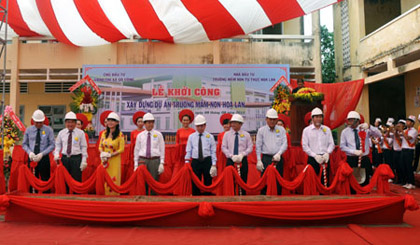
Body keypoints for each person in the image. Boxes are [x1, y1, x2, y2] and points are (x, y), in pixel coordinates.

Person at [340, 111, 381, 186]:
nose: (350, 122)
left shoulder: (365, 129)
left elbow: (379, 134)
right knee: (352, 183)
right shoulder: (345, 132)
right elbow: (342, 146)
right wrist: (353, 151)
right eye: (349, 120)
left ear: (357, 120)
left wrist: (369, 126)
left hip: (364, 158)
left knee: (364, 181)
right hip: (351, 158)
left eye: (352, 120)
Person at [256, 108, 288, 195]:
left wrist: (279, 154)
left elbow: (284, 144)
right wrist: (259, 160)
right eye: (270, 119)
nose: (272, 121)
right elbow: (258, 146)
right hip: (266, 159)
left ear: (277, 120)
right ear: (266, 119)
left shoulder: (281, 130)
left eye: (274, 119)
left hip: (278, 158)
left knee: (278, 181)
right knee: (265, 181)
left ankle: (278, 201)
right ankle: (263, 201)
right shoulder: (261, 130)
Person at [302, 108, 335, 186]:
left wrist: (327, 153)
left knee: (325, 181)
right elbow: (305, 146)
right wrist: (315, 156)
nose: (318, 119)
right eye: (316, 117)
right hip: (313, 159)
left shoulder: (327, 130)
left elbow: (331, 144)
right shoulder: (306, 130)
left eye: (320, 117)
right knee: (312, 182)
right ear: (312, 118)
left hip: (325, 158)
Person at [185, 115, 217, 195]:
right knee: (195, 182)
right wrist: (186, 162)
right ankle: (196, 199)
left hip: (207, 161)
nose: (200, 128)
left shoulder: (210, 137)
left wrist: (214, 164)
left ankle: (208, 200)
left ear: (205, 125)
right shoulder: (191, 137)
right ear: (196, 126)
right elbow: (188, 150)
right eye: (198, 126)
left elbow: (213, 151)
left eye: (202, 126)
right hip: (195, 162)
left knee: (208, 181)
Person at [222, 114, 253, 195]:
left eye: (235, 122)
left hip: (242, 160)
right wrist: (231, 156)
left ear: (240, 124)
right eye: (232, 122)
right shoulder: (227, 134)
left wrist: (242, 155)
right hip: (230, 160)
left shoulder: (246, 134)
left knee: (243, 181)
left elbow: (250, 147)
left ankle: (243, 199)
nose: (233, 124)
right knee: (230, 181)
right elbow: (224, 147)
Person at [22, 109, 55, 185]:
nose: (39, 124)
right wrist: (29, 152)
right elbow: (24, 144)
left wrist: (42, 154)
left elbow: (52, 144)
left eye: (40, 122)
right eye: (37, 122)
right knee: (32, 180)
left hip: (44, 157)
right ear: (33, 121)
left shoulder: (49, 130)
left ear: (43, 121)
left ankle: (45, 195)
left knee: (45, 179)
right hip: (32, 157)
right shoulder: (28, 130)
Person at [54, 112, 88, 184]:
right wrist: (56, 154)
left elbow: (83, 147)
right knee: (64, 181)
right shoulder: (61, 133)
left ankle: (76, 195)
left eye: (72, 122)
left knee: (76, 181)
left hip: (76, 159)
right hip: (65, 159)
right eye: (68, 122)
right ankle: (65, 195)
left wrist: (84, 160)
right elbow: (58, 145)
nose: (70, 124)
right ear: (65, 123)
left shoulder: (80, 133)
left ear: (75, 123)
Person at [134, 113, 165, 184]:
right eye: (148, 122)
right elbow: (136, 150)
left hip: (154, 161)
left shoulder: (158, 135)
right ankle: (143, 195)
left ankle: (153, 195)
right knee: (142, 181)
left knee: (154, 182)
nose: (150, 124)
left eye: (152, 122)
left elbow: (162, 149)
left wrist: (162, 163)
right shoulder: (140, 136)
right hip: (142, 160)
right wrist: (135, 164)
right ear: (144, 124)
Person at [98, 112, 125, 195]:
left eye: (113, 120)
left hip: (114, 160)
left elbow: (121, 149)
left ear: (117, 122)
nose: (110, 122)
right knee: (103, 178)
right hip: (104, 160)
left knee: (113, 178)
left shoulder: (120, 135)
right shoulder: (104, 133)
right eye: (109, 120)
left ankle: (113, 196)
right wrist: (102, 153)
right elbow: (100, 146)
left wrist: (111, 155)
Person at [400, 115, 417, 189]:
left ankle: (411, 183)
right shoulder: (405, 130)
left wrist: (401, 131)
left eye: (408, 121)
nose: (407, 122)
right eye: (406, 121)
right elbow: (400, 138)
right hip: (403, 150)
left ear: (412, 123)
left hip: (409, 150)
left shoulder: (414, 131)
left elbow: (408, 138)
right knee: (404, 166)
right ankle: (407, 182)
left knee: (409, 167)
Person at [392, 120, 405, 184]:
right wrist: (394, 129)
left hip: (400, 151)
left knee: (401, 167)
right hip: (395, 151)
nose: (398, 126)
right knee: (396, 167)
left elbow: (400, 139)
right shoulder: (395, 132)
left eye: (400, 125)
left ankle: (403, 180)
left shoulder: (404, 132)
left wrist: (397, 131)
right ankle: (398, 179)